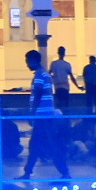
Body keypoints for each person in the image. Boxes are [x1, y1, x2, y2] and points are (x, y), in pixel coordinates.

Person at [20, 49, 68, 180]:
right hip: (45, 116)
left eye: (27, 61)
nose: (27, 64)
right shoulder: (45, 75)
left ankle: (64, 171)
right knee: (35, 145)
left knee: (49, 145)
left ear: (33, 60)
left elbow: (38, 94)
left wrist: (32, 113)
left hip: (43, 116)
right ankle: (27, 172)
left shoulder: (39, 76)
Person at [49, 47, 74, 114]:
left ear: (58, 53)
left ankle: (59, 118)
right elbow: (72, 77)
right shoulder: (67, 64)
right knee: (65, 104)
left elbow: (49, 74)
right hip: (65, 87)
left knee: (59, 104)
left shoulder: (53, 64)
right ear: (64, 53)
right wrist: (78, 86)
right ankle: (66, 119)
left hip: (57, 87)